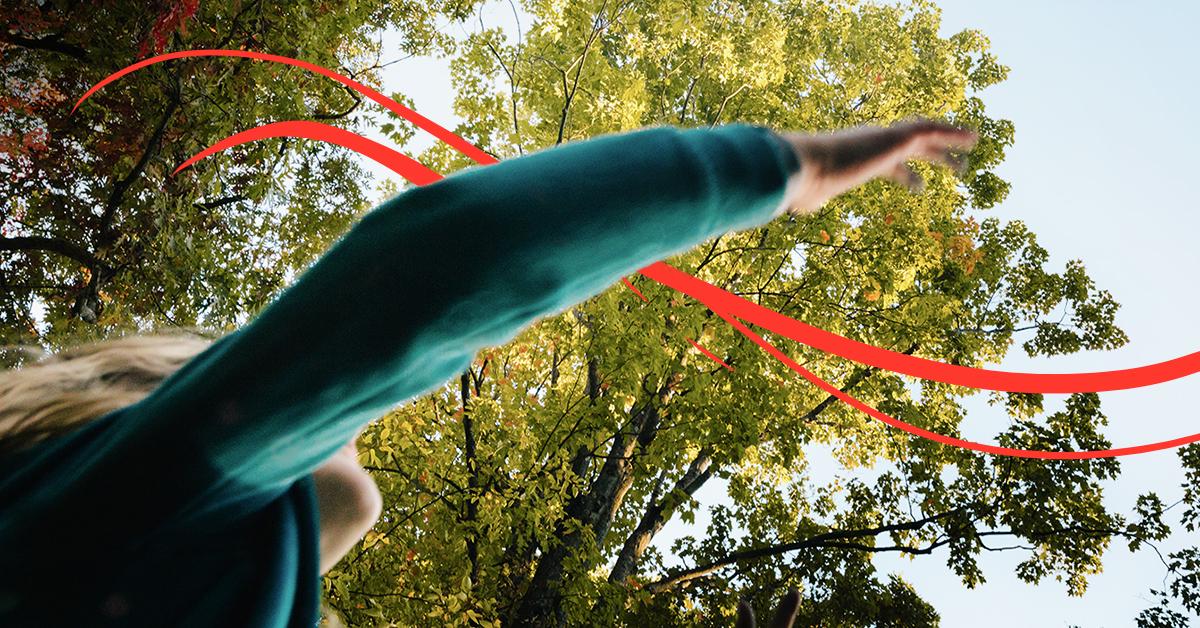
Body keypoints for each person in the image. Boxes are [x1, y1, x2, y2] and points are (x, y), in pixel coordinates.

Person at [0, 119, 975, 626]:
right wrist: (787, 167)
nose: (337, 416)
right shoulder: (90, 526)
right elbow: (430, 273)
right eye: (282, 408)